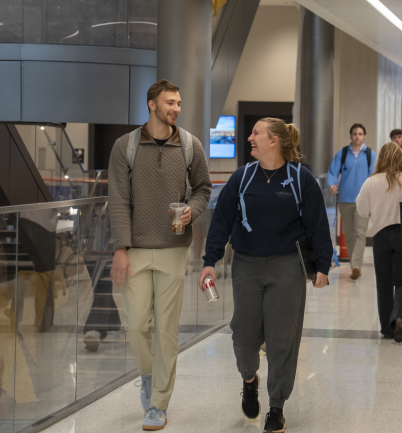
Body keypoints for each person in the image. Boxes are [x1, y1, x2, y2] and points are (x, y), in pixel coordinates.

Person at [200, 118, 332, 431]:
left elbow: (317, 223)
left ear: (273, 141)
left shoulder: (301, 179)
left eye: (256, 133)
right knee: (243, 337)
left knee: (281, 340)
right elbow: (222, 220)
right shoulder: (243, 177)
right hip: (246, 266)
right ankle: (249, 379)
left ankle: (276, 406)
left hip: (288, 266)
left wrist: (323, 266)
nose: (250, 138)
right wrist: (210, 260)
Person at [108, 79, 212, 430]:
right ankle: (148, 375)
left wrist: (192, 211)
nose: (176, 108)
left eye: (179, 103)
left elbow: (203, 188)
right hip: (136, 250)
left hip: (173, 250)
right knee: (136, 326)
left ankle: (159, 403)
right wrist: (120, 249)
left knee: (166, 331)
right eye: (170, 102)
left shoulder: (189, 145)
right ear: (151, 104)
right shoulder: (126, 146)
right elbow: (119, 200)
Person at [356, 142, 402, 343]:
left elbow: (361, 209)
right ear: (400, 158)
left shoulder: (371, 182)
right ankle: (399, 316)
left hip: (380, 235)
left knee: (384, 282)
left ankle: (386, 329)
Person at [327, 124, 377, 280]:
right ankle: (353, 264)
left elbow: (373, 176)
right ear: (350, 136)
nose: (357, 136)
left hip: (363, 200)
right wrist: (332, 184)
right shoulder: (342, 153)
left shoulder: (370, 154)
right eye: (354, 133)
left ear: (364, 136)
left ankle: (356, 266)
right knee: (349, 234)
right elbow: (333, 172)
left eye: (360, 133)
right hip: (345, 199)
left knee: (360, 233)